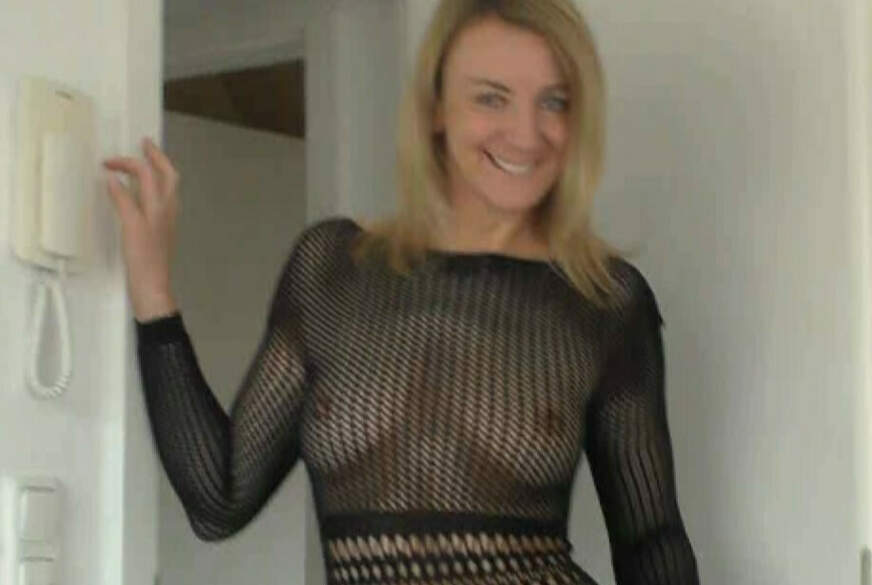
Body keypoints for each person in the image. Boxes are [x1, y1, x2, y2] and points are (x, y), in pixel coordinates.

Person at [103, 0, 700, 583]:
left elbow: (651, 542)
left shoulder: (604, 300)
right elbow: (219, 499)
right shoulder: (331, 270)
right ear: (436, 109)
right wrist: (152, 288)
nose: (526, 133)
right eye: (492, 97)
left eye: (554, 102)